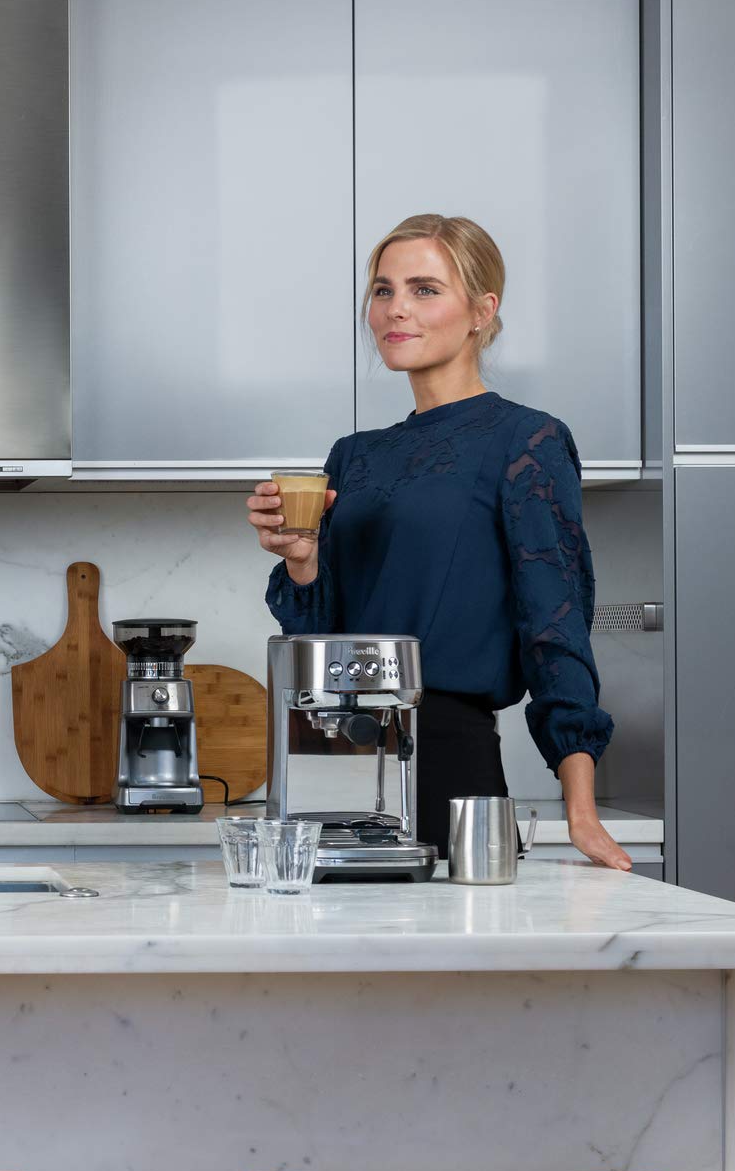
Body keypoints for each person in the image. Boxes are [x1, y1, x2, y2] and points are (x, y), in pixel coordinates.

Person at [247, 213, 631, 870]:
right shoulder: (355, 456)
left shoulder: (526, 442)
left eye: (425, 289)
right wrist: (304, 560)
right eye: (383, 289)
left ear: (483, 310)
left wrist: (581, 809)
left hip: (453, 770)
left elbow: (555, 623)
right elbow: (322, 631)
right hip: (334, 769)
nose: (397, 309)